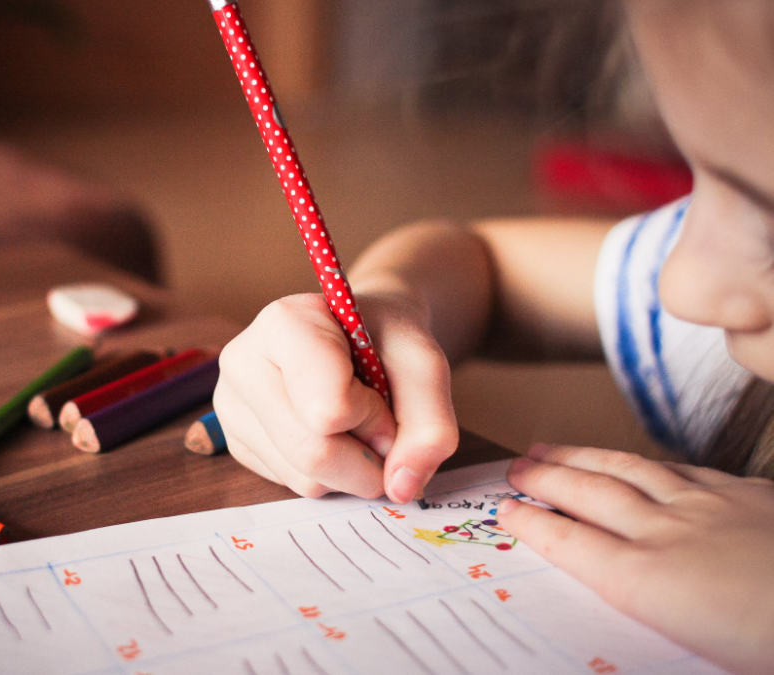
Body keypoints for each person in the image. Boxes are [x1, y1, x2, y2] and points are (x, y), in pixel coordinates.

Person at [212, 1, 774, 673]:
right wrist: (390, 305)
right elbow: (483, 262)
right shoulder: (718, 297)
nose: (678, 284)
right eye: (696, 182)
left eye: (768, 223)